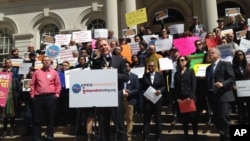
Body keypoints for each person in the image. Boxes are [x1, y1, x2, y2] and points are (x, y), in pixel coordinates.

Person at [91, 38, 129, 141]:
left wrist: (113, 73)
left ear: (109, 45)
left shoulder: (120, 60)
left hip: (116, 95)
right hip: (102, 97)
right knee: (103, 126)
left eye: (104, 45)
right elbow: (92, 80)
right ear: (98, 49)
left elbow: (126, 77)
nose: (103, 48)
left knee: (119, 124)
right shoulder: (95, 62)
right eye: (100, 46)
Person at [205, 48, 235, 141]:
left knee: (223, 118)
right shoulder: (208, 68)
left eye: (212, 53)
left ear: (219, 55)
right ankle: (223, 136)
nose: (210, 54)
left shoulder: (225, 64)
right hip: (213, 97)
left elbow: (231, 78)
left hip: (224, 96)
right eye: (209, 53)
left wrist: (223, 84)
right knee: (217, 120)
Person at [30, 56, 61, 141]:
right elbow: (32, 84)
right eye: (45, 60)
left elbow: (58, 85)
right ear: (42, 62)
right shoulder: (37, 72)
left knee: (50, 118)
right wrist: (32, 95)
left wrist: (56, 95)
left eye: (48, 60)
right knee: (37, 119)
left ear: (50, 62)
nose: (46, 62)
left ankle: (50, 136)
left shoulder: (54, 72)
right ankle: (37, 137)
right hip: (38, 98)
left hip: (51, 98)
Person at [174, 56, 198, 141]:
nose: (180, 62)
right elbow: (176, 87)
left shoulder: (191, 71)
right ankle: (186, 136)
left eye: (182, 60)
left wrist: (190, 97)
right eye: (179, 60)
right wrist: (178, 98)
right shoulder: (177, 73)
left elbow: (193, 85)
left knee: (193, 117)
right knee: (184, 118)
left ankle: (195, 135)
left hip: (190, 97)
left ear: (186, 61)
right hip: (182, 98)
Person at [142, 61, 165, 141]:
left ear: (155, 67)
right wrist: (145, 95)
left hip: (157, 100)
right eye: (149, 66)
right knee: (147, 119)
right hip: (148, 101)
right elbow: (142, 88)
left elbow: (163, 86)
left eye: (152, 66)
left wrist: (160, 90)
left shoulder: (160, 75)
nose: (151, 67)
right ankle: (145, 137)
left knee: (158, 119)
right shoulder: (145, 75)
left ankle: (158, 137)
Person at [1, 59, 21, 137]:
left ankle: (12, 129)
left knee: (13, 115)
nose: (8, 64)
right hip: (4, 97)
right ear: (5, 64)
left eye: (9, 63)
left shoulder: (15, 75)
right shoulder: (1, 74)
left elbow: (18, 88)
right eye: (7, 63)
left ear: (11, 64)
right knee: (4, 115)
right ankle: (5, 129)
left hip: (12, 97)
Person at [232, 50, 250, 124]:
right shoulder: (233, 67)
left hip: (248, 88)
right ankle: (242, 120)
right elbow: (232, 77)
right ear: (236, 57)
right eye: (238, 55)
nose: (240, 56)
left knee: (249, 105)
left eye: (241, 54)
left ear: (243, 55)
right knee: (240, 106)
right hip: (238, 89)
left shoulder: (248, 65)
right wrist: (233, 85)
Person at [123, 62, 140, 141]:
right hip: (121, 99)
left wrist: (129, 93)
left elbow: (137, 89)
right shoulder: (120, 76)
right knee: (120, 118)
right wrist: (123, 91)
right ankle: (122, 134)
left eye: (127, 66)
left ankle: (129, 136)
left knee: (129, 118)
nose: (126, 67)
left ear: (130, 67)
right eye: (125, 66)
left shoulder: (134, 77)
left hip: (130, 100)